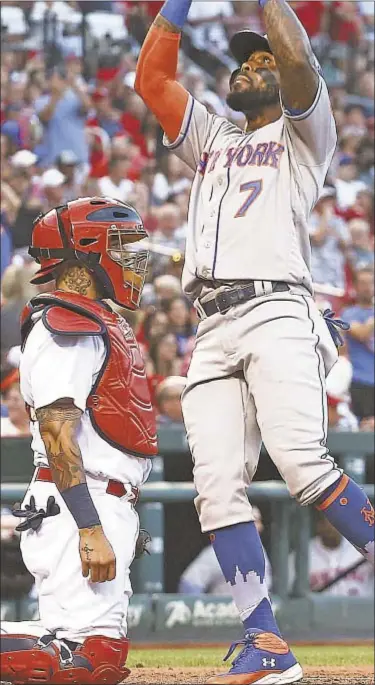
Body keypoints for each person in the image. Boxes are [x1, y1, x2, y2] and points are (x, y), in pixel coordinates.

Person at [135, 1, 375, 683]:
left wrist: (272, 12)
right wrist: (176, 6)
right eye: (241, 62)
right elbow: (152, 81)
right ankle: (265, 642)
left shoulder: (308, 132)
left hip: (276, 305)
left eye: (260, 60)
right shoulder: (210, 134)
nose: (249, 67)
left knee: (300, 462)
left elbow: (296, 57)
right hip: (211, 323)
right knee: (215, 487)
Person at [0, 197, 158, 684]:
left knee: (93, 654)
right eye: (120, 244)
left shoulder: (98, 320)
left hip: (101, 500)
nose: (133, 256)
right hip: (79, 502)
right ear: (85, 253)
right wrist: (90, 527)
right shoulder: (65, 324)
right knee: (83, 660)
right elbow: (55, 430)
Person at [179, 506, 272, 595]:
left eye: (259, 522)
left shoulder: (260, 550)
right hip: (227, 610)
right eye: (253, 521)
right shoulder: (217, 552)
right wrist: (203, 609)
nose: (259, 527)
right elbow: (189, 584)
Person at [289, 514, 374, 597]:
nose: (331, 528)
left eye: (335, 523)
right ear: (318, 526)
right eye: (326, 523)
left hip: (360, 609)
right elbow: (289, 595)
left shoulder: (363, 548)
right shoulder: (300, 556)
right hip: (320, 610)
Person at [341, 267, 374, 420]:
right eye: (363, 283)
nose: (367, 287)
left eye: (370, 283)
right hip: (360, 381)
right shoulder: (349, 313)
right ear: (355, 286)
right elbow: (361, 334)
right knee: (365, 429)